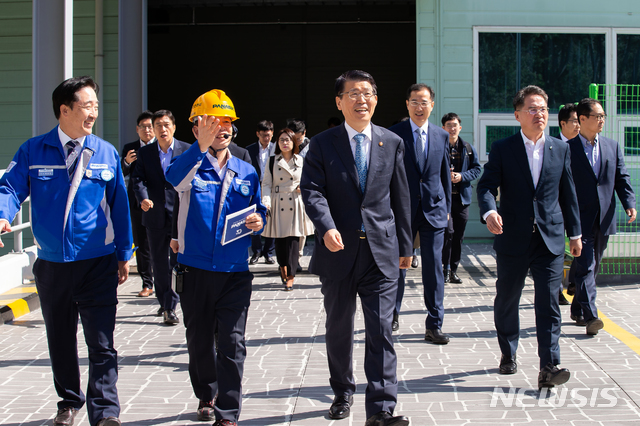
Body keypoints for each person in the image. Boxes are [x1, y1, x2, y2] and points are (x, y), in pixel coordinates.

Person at [0, 76, 133, 426]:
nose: (94, 112)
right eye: (87, 105)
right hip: (53, 266)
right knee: (60, 339)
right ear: (65, 109)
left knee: (102, 342)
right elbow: (10, 187)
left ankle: (105, 411)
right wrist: (2, 214)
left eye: (96, 105)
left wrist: (124, 253)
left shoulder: (105, 152)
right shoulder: (33, 150)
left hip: (97, 263)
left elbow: (120, 206)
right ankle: (68, 402)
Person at [301, 70, 412, 426]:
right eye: (353, 94)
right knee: (339, 327)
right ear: (339, 102)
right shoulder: (322, 143)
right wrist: (327, 227)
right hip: (338, 251)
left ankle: (381, 409)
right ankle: (342, 389)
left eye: (367, 93)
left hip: (381, 252)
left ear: (376, 99)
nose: (361, 100)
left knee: (381, 329)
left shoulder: (391, 141)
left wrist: (406, 245)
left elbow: (401, 196)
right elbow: (312, 191)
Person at [166, 89, 266, 426]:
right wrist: (199, 147)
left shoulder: (246, 169)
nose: (221, 128)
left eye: (227, 122)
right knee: (198, 341)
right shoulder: (189, 166)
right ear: (196, 128)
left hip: (235, 271)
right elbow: (172, 178)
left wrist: (259, 219)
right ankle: (206, 394)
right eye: (212, 122)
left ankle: (227, 411)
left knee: (232, 343)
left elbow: (258, 206)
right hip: (195, 270)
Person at [477, 85, 582, 390]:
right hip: (513, 238)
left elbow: (568, 194)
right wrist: (489, 212)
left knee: (548, 303)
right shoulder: (503, 148)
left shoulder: (560, 149)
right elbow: (485, 187)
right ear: (518, 115)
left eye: (544, 109)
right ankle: (508, 352)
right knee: (508, 299)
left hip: (549, 240)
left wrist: (574, 234)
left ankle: (548, 366)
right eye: (533, 109)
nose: (540, 115)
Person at [567, 98, 636, 334]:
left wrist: (629, 203)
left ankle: (577, 309)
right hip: (580, 218)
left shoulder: (611, 146)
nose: (602, 120)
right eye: (598, 116)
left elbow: (621, 177)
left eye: (603, 116)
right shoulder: (568, 149)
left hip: (604, 216)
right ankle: (591, 316)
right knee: (586, 265)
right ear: (582, 119)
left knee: (593, 267)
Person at [388, 84, 451, 342]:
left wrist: (446, 209)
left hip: (433, 211)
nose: (419, 107)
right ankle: (391, 315)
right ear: (407, 104)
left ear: (432, 105)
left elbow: (444, 174)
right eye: (414, 101)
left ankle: (434, 324)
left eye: (424, 102)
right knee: (399, 265)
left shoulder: (441, 135)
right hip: (401, 210)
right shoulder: (394, 135)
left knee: (434, 269)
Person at [131, 110, 190, 325]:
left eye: (166, 125)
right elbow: (137, 179)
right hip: (154, 215)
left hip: (179, 215)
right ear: (153, 129)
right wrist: (143, 198)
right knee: (158, 262)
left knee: (176, 261)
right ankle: (165, 303)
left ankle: (171, 304)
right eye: (158, 126)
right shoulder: (145, 153)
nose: (162, 129)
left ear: (173, 127)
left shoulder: (186, 150)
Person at [261, 128, 314, 290]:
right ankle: (282, 266)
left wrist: (302, 187)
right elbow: (266, 184)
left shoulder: (301, 160)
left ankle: (291, 275)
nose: (285, 143)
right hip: (278, 202)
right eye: (282, 140)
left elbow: (310, 180)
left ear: (294, 142)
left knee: (293, 241)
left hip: (296, 202)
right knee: (280, 241)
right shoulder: (272, 161)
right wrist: (266, 202)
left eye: (288, 140)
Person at [441, 113, 481, 284]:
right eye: (448, 125)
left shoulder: (468, 148)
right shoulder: (438, 146)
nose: (452, 128)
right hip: (443, 200)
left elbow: (477, 169)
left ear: (460, 127)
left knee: (458, 236)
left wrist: (462, 176)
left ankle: (453, 270)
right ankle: (444, 269)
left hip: (462, 200)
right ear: (443, 128)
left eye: (455, 125)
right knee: (447, 233)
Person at [122, 110, 156, 297]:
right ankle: (147, 283)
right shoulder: (130, 147)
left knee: (161, 242)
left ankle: (164, 281)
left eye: (150, 126)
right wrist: (126, 162)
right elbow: (121, 173)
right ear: (137, 129)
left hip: (157, 202)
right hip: (136, 203)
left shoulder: (160, 146)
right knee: (142, 243)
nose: (147, 130)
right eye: (143, 127)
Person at [558, 103, 581, 305]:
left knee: (580, 245)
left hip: (579, 208)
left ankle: (574, 281)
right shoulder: (554, 145)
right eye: (575, 121)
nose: (578, 126)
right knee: (556, 249)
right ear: (563, 123)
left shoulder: (584, 146)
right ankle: (557, 289)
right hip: (555, 208)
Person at [246, 120, 276, 265]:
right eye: (263, 135)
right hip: (255, 188)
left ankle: (269, 252)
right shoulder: (249, 150)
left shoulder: (277, 149)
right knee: (254, 218)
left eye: (269, 136)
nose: (266, 139)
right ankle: (256, 251)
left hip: (272, 188)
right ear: (257, 134)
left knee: (271, 220)